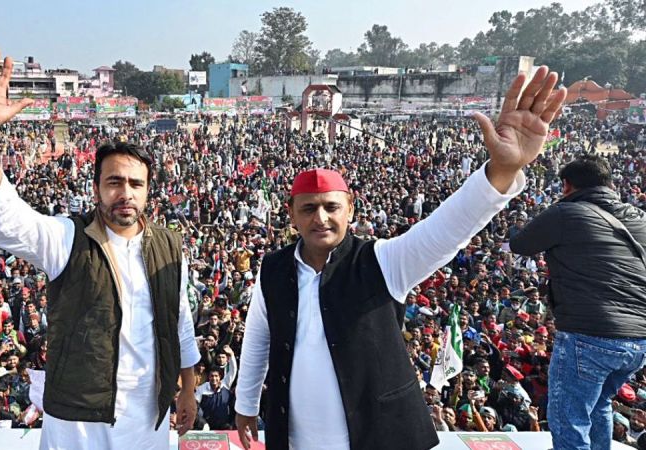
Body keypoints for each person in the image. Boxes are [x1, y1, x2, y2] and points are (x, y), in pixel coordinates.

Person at [235, 66, 566, 449]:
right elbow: (258, 336)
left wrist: (502, 170)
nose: (320, 218)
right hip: (294, 437)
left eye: (331, 207)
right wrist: (246, 404)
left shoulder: (382, 261)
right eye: (308, 208)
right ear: (291, 214)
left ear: (350, 210)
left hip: (376, 438)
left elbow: (446, 230)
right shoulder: (274, 269)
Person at [0, 48, 200, 449]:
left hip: (148, 417)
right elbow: (2, 217)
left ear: (148, 191)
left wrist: (188, 388)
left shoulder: (169, 245)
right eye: (114, 182)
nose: (125, 193)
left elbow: (180, 322)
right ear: (96, 188)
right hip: (79, 423)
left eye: (136, 184)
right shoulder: (68, 239)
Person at [510, 153, 646, 450]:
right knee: (599, 404)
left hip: (589, 335)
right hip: (638, 340)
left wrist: (555, 209)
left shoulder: (566, 213)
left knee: (569, 418)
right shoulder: (640, 218)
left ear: (567, 185)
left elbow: (519, 243)